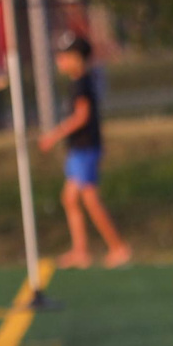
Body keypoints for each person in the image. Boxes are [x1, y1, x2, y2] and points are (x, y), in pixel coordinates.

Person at [38, 35, 130, 269]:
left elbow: (82, 116)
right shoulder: (76, 82)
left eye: (64, 56)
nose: (59, 60)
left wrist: (54, 135)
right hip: (80, 149)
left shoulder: (82, 83)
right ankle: (81, 251)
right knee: (70, 199)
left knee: (89, 199)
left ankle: (118, 247)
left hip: (86, 149)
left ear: (77, 59)